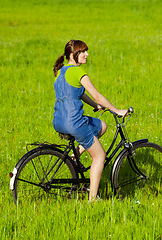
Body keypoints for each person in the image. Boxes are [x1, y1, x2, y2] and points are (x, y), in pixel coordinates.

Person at [53, 40, 128, 201]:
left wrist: (96, 106)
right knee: (99, 156)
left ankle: (74, 157)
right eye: (83, 52)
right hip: (74, 122)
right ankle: (92, 199)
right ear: (74, 55)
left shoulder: (62, 71)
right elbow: (97, 95)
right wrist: (117, 110)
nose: (87, 54)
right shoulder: (79, 73)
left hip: (59, 121)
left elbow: (78, 94)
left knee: (101, 126)